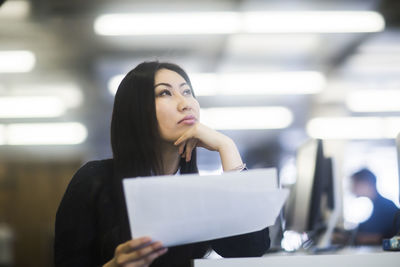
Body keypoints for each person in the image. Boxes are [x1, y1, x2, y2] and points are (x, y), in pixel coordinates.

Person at [54, 61, 270, 267]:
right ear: (137, 112)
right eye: (165, 92)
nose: (185, 103)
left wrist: (227, 147)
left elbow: (250, 248)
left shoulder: (197, 192)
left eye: (187, 92)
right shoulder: (94, 180)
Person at [350, 168, 400, 245]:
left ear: (367, 183)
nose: (351, 189)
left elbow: (382, 238)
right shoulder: (368, 208)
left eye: (354, 184)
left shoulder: (387, 207)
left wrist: (351, 238)